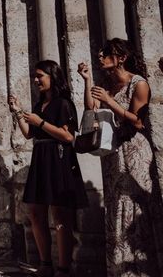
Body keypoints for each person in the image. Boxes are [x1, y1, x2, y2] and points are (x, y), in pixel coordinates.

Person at [78, 38, 163, 277]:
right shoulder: (108, 84)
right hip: (114, 154)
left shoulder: (139, 83)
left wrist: (110, 101)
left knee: (135, 208)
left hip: (135, 151)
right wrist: (87, 81)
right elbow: (90, 108)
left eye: (106, 53)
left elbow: (137, 121)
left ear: (121, 57)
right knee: (116, 208)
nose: (101, 56)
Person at [8, 61, 87, 277]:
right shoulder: (39, 104)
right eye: (35, 76)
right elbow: (28, 134)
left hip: (58, 158)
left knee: (60, 214)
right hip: (41, 158)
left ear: (52, 77)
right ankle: (45, 264)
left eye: (40, 76)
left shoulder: (63, 103)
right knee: (35, 211)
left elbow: (68, 136)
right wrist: (17, 112)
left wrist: (40, 123)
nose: (36, 80)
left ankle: (63, 268)